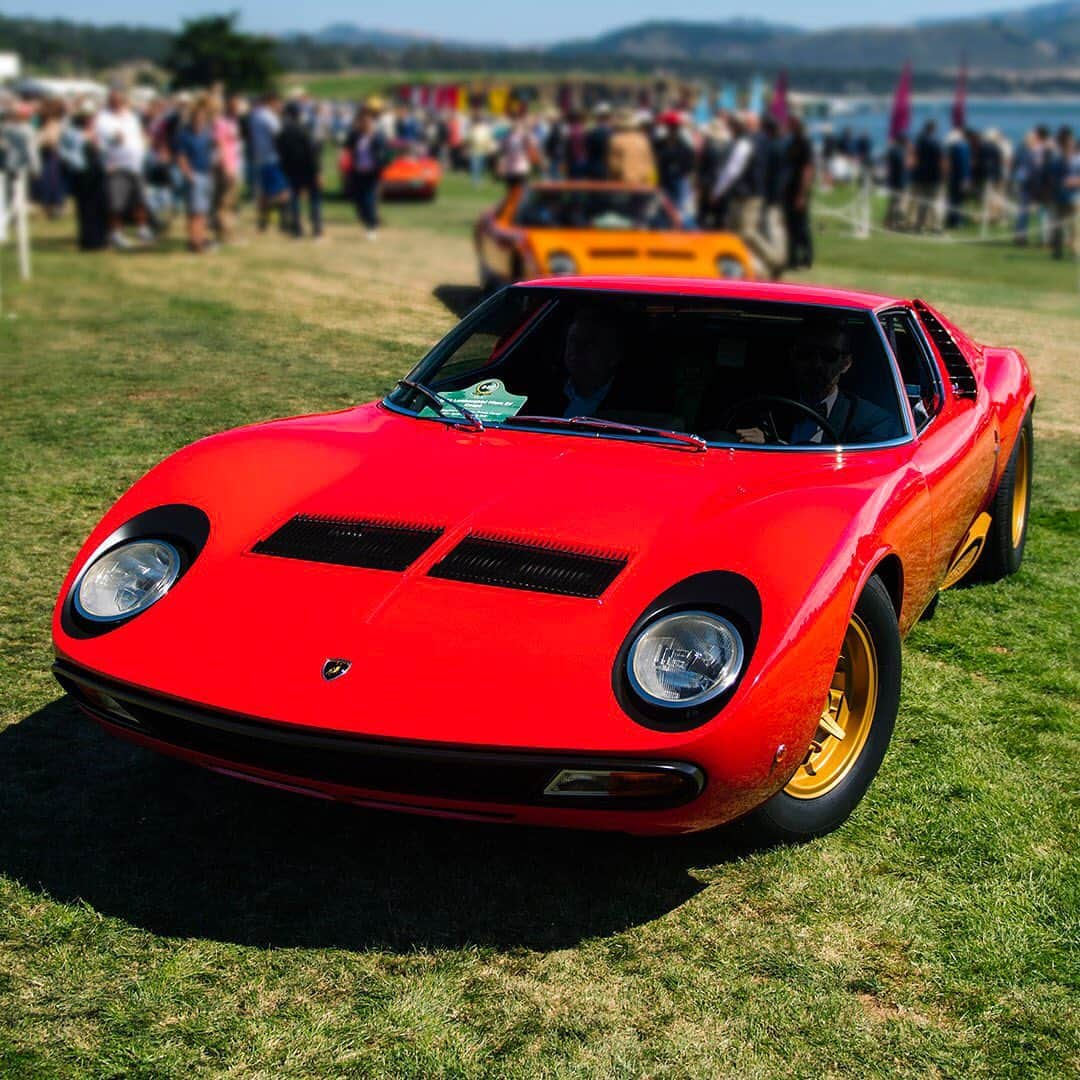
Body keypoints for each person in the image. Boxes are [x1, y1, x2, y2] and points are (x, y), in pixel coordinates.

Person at [737, 328, 896, 446]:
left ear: (846, 364)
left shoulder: (871, 421)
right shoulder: (763, 407)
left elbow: (862, 472)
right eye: (805, 353)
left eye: (828, 356)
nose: (816, 364)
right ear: (793, 357)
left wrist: (774, 446)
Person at [94, 84, 152, 249]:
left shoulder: (131, 116)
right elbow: (110, 137)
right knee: (116, 203)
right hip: (116, 165)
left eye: (121, 100)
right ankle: (116, 233)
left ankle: (143, 229)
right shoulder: (103, 118)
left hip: (135, 164)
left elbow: (137, 134)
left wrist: (142, 144)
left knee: (140, 199)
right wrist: (116, 137)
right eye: (115, 100)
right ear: (110, 101)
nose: (118, 103)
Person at [59, 103, 108, 251]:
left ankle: (100, 240)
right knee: (85, 207)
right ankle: (87, 240)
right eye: (87, 118)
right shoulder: (71, 132)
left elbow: (104, 149)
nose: (90, 120)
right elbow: (62, 150)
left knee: (100, 205)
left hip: (98, 171)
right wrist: (72, 160)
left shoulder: (97, 132)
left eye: (92, 117)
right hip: (82, 172)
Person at [561, 311, 622, 419]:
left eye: (589, 344)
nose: (577, 349)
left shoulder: (630, 402)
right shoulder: (542, 389)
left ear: (613, 356)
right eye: (573, 340)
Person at [276, 100, 323, 239]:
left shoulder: (283, 132)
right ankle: (317, 230)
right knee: (314, 200)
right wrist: (318, 171)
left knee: (295, 200)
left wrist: (284, 169)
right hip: (308, 169)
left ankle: (297, 231)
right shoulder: (305, 129)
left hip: (291, 170)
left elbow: (280, 152)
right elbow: (312, 152)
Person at [176, 94, 216, 253]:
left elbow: (210, 151)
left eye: (202, 118)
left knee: (203, 211)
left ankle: (201, 238)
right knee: (194, 212)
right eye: (197, 117)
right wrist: (188, 174)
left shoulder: (206, 133)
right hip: (195, 175)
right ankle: (194, 242)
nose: (200, 120)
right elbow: (181, 157)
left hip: (207, 174)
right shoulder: (185, 135)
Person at [345, 103, 388, 239]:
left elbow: (383, 154)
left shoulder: (378, 136)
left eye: (368, 120)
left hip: (372, 173)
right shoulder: (355, 135)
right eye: (362, 120)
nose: (365, 123)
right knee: (358, 201)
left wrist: (379, 167)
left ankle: (372, 226)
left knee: (369, 199)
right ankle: (366, 220)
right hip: (357, 172)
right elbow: (348, 149)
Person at [249, 92, 288, 231]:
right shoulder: (269, 117)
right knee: (283, 190)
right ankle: (283, 221)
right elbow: (278, 135)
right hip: (273, 156)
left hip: (260, 156)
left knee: (265, 192)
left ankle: (263, 221)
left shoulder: (254, 115)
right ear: (271, 101)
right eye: (278, 103)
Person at [783, 115, 814, 269]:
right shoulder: (791, 143)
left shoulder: (804, 143)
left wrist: (802, 194)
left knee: (801, 225)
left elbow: (807, 169)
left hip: (799, 190)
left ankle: (807, 257)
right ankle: (792, 257)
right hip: (790, 189)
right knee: (791, 225)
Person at [212, 95, 242, 244]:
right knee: (224, 201)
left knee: (231, 202)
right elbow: (221, 145)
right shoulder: (221, 123)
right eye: (236, 106)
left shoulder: (232, 121)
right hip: (226, 166)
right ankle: (225, 235)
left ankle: (228, 233)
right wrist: (227, 168)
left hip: (234, 165)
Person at [1048, 126, 1079, 260]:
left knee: (1076, 226)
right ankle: (1057, 250)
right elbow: (1052, 177)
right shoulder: (1057, 160)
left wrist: (1075, 181)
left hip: (1075, 196)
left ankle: (1076, 251)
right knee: (1057, 225)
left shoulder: (1077, 160)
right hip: (1060, 196)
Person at [910, 120, 945, 233]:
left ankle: (919, 225)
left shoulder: (920, 140)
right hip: (934, 176)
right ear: (933, 129)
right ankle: (936, 227)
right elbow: (941, 159)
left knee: (922, 202)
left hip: (921, 175)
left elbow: (915, 157)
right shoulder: (937, 142)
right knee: (935, 202)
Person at [496, 101, 537, 193]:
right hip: (511, 169)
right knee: (511, 192)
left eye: (516, 122)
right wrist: (501, 165)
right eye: (512, 121)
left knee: (521, 192)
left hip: (521, 168)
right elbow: (502, 153)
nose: (513, 124)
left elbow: (532, 145)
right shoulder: (506, 137)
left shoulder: (525, 135)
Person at [607, 108, 655, 187]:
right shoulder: (643, 140)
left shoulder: (616, 140)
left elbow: (613, 167)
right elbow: (650, 165)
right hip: (643, 185)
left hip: (624, 185)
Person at [884, 133, 910, 231]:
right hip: (900, 180)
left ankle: (889, 222)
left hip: (893, 179)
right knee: (898, 203)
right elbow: (903, 164)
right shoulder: (900, 151)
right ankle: (894, 224)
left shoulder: (893, 149)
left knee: (893, 203)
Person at [585, 103, 613, 180]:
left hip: (595, 166)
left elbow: (588, 149)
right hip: (609, 167)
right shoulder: (613, 132)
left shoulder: (592, 132)